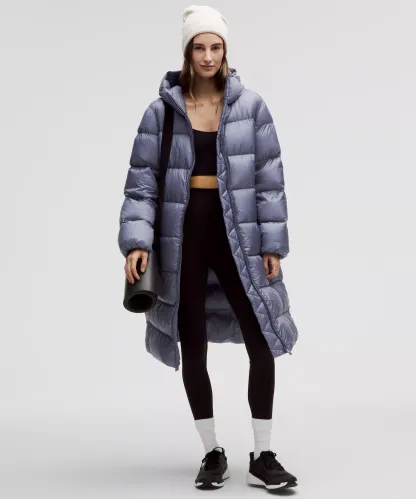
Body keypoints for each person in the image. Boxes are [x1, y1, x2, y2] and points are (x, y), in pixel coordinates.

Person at [118, 4, 299, 491]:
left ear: (225, 51)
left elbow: (269, 180)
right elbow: (141, 184)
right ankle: (212, 452)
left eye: (215, 47)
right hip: (184, 236)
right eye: (199, 47)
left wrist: (272, 245)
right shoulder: (161, 112)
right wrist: (137, 242)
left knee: (260, 338)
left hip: (238, 234)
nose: (207, 56)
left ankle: (263, 454)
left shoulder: (251, 107)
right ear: (187, 51)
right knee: (192, 341)